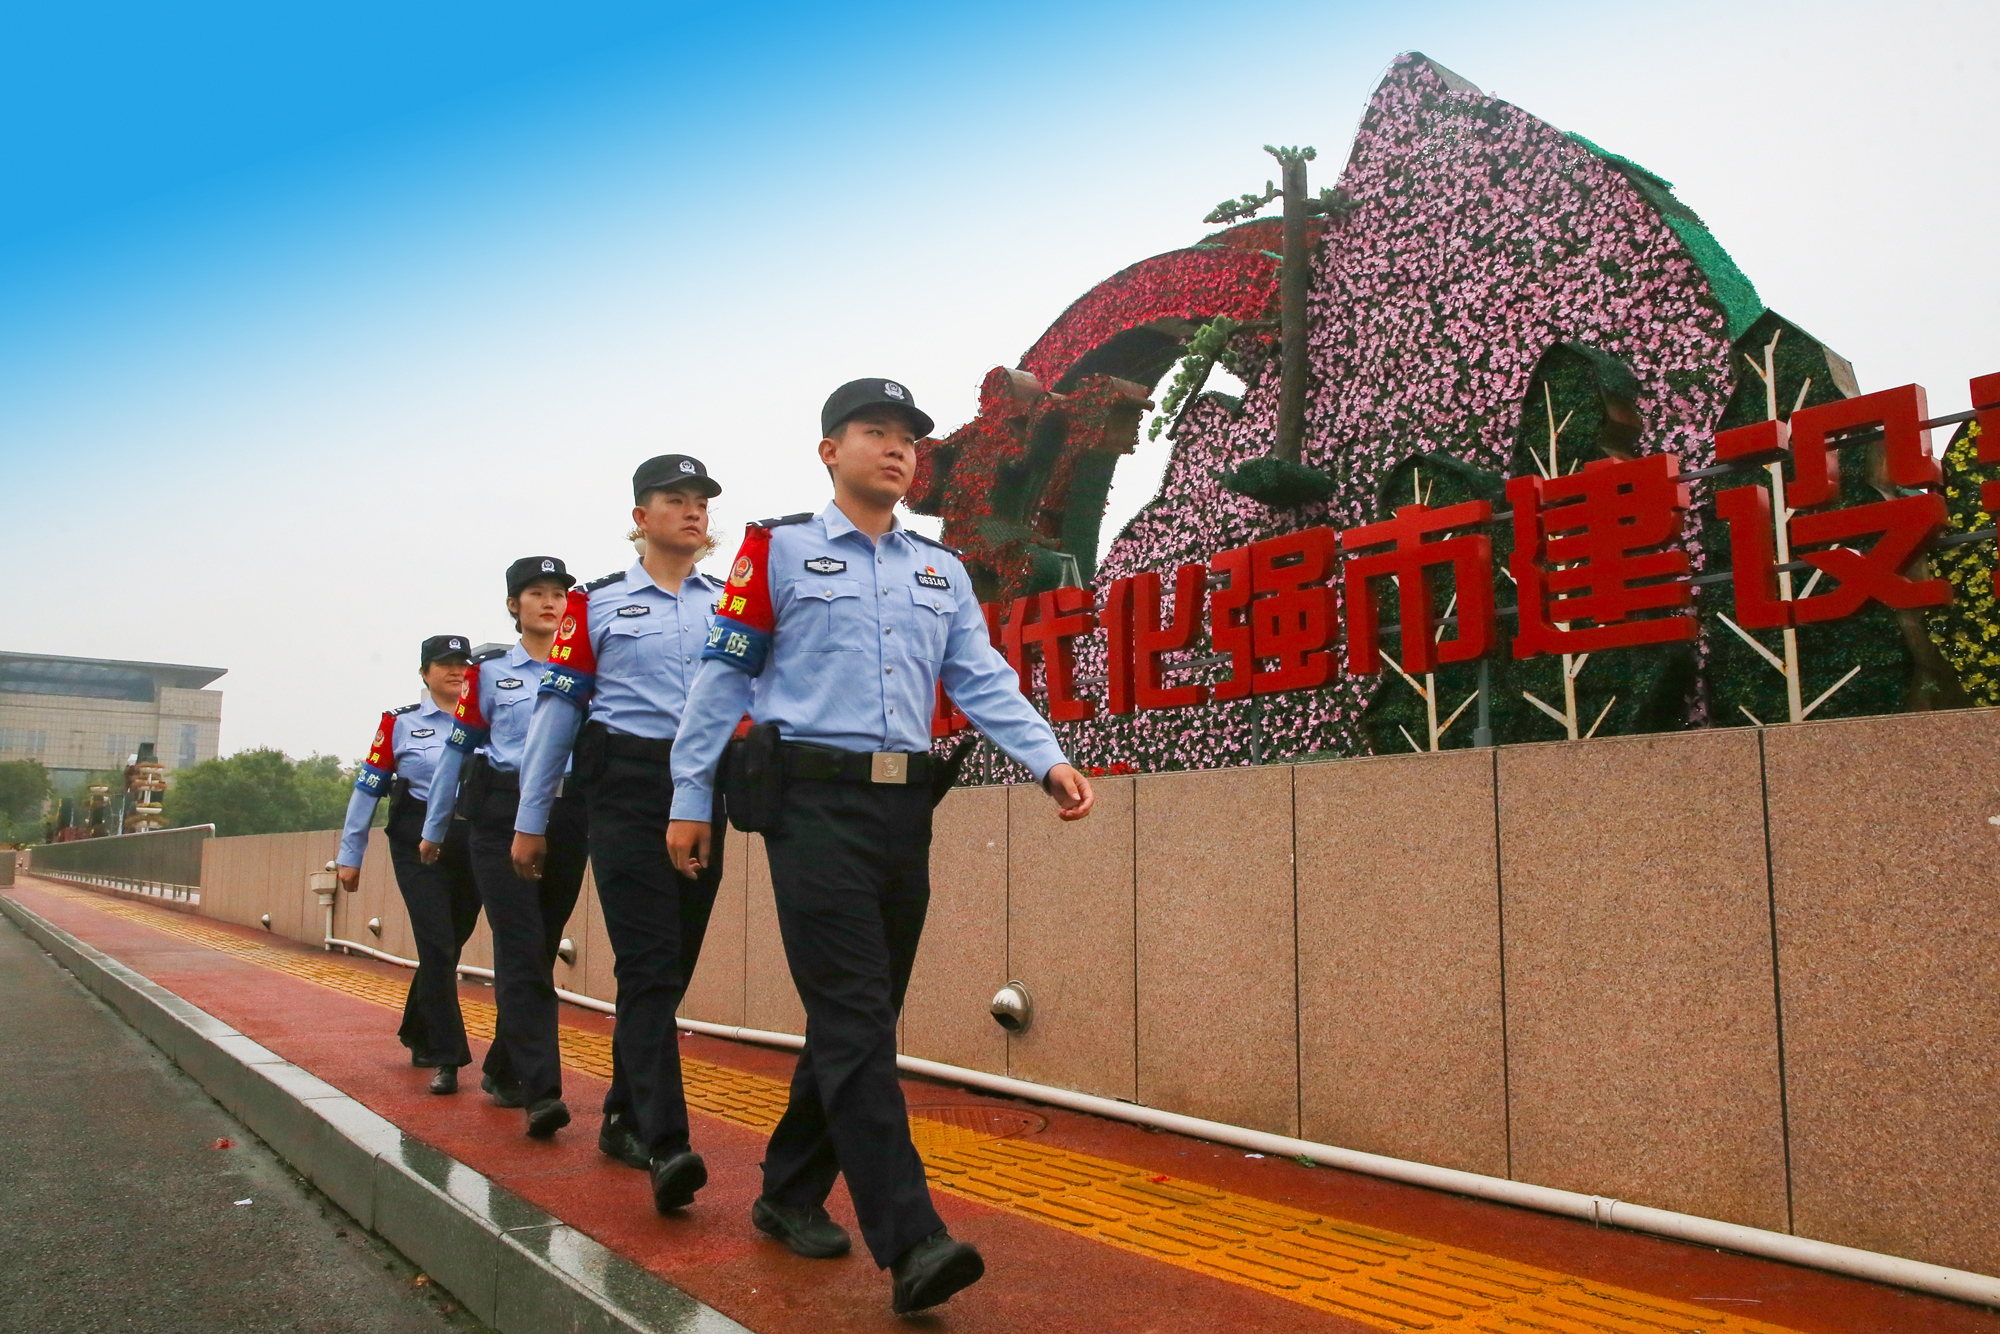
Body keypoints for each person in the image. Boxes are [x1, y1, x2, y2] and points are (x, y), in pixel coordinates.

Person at [666, 378, 1095, 1314]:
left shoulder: (939, 570)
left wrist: (1047, 758)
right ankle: (911, 1241)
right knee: (857, 1018)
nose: (897, 448)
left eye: (908, 437)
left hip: (904, 813)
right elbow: (721, 679)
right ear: (831, 450)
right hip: (811, 808)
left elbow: (980, 675)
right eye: (875, 431)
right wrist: (689, 794)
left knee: (859, 1019)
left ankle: (788, 1191)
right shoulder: (776, 551)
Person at [513, 455, 731, 1208]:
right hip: (625, 791)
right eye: (675, 499)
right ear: (641, 517)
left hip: (703, 794)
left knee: (675, 964)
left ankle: (621, 1114)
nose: (692, 511)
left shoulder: (729, 602)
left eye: (701, 500)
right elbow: (557, 712)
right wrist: (532, 819)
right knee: (649, 965)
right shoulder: (594, 605)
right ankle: (667, 1143)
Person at [418, 557, 588, 1138]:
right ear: (514, 606)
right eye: (536, 593)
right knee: (518, 947)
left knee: (539, 948)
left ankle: (502, 1065)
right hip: (500, 816)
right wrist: (435, 828)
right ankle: (542, 1091)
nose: (550, 602)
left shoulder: (585, 664)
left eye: (558, 592)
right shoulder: (489, 674)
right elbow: (458, 748)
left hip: (568, 816)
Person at [333, 635, 482, 1095]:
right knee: (436, 944)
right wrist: (350, 855)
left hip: (474, 837)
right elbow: (367, 788)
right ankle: (446, 1056)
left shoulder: (488, 716)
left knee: (450, 945)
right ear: (424, 673)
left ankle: (418, 1029)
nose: (455, 671)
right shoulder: (400, 724)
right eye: (444, 664)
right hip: (416, 842)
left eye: (462, 663)